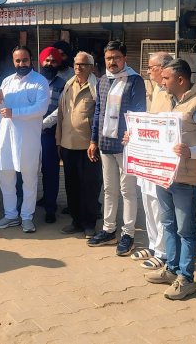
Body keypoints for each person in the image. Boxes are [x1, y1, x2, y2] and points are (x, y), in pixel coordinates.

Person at [142, 59, 196, 300]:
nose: (161, 82)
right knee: (168, 225)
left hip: (186, 178)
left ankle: (186, 278)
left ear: (180, 80)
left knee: (186, 230)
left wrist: (191, 152)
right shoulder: (169, 102)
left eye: (165, 78)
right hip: (164, 176)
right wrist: (134, 139)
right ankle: (172, 269)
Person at [87, 40, 146, 255]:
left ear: (124, 59)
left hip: (125, 145)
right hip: (105, 143)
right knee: (109, 190)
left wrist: (134, 136)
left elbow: (140, 113)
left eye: (116, 58)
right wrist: (93, 140)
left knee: (127, 191)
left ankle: (128, 233)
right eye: (109, 58)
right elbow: (98, 113)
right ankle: (108, 230)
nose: (112, 62)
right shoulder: (103, 81)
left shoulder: (134, 81)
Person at [0, 45, 50, 234]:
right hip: (6, 140)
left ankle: (26, 217)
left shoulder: (40, 82)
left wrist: (13, 112)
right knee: (6, 179)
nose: (21, 64)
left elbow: (41, 109)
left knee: (29, 180)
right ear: (13, 61)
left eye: (25, 60)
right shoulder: (7, 81)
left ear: (31, 60)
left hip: (28, 141)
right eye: (18, 61)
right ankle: (10, 215)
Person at [130, 51, 173, 270]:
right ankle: (153, 244)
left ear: (164, 68)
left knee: (159, 205)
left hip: (163, 158)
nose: (147, 71)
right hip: (148, 154)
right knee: (147, 200)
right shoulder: (155, 89)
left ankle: (164, 251)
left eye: (151, 67)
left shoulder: (171, 92)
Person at [56, 51, 101, 238]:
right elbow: (60, 115)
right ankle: (76, 221)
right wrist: (59, 141)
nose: (78, 67)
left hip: (88, 147)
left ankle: (89, 223)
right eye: (75, 64)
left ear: (91, 67)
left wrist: (96, 141)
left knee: (89, 186)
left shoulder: (97, 86)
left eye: (82, 64)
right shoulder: (68, 84)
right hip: (68, 145)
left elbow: (101, 116)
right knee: (71, 186)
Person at [38, 47, 67, 223]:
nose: (49, 64)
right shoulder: (34, 82)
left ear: (58, 63)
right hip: (29, 133)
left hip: (49, 133)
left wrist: (42, 124)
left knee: (50, 170)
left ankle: (50, 207)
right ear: (41, 62)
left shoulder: (63, 84)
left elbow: (60, 110)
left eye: (53, 61)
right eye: (47, 60)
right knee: (28, 169)